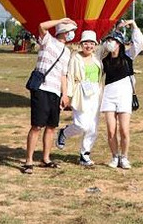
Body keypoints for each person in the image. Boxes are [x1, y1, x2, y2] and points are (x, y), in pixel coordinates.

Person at [22, 18, 75, 174]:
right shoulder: (48, 41)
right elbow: (41, 25)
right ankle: (29, 160)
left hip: (55, 91)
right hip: (41, 88)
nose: (72, 34)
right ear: (64, 32)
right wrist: (62, 19)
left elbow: (63, 74)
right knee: (37, 125)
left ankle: (46, 158)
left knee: (51, 126)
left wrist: (65, 95)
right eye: (71, 31)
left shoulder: (67, 52)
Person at [99, 19, 143, 169]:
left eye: (113, 40)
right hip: (109, 96)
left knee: (124, 130)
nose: (110, 43)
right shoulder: (104, 60)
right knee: (111, 130)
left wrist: (133, 25)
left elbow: (138, 43)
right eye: (108, 40)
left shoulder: (128, 57)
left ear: (119, 43)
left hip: (124, 95)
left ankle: (124, 157)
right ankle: (114, 156)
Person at [56, 30, 103, 167]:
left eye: (91, 43)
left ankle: (85, 154)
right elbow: (70, 77)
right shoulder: (75, 58)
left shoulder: (97, 58)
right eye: (86, 43)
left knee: (93, 127)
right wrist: (67, 96)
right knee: (82, 124)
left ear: (95, 45)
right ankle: (64, 133)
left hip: (95, 94)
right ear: (81, 44)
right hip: (80, 92)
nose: (89, 46)